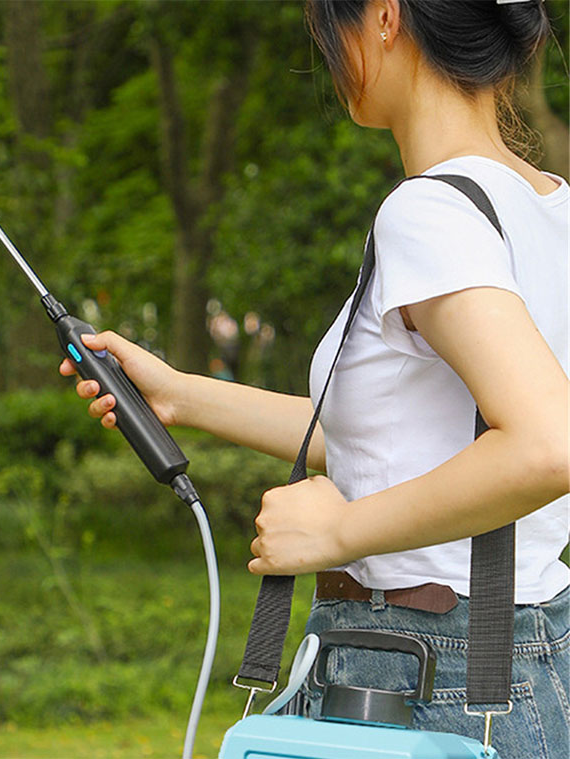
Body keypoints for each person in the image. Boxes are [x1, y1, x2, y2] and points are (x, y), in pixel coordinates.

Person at [59, 1, 568, 756]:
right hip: (527, 659)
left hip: (425, 672)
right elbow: (398, 445)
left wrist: (336, 531)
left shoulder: (428, 213)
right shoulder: (549, 206)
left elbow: (546, 445)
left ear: (387, 15)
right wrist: (179, 394)